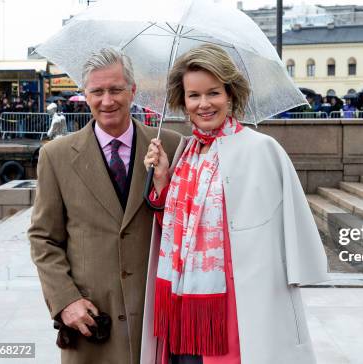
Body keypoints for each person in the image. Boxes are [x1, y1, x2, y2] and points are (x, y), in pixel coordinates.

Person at [141, 44, 328, 364]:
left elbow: (283, 235)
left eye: (213, 93)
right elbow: (176, 232)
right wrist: (161, 182)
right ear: (182, 101)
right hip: (182, 309)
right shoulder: (187, 153)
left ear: (230, 94)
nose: (203, 104)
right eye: (193, 95)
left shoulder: (261, 150)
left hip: (236, 310)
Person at [29, 48, 182, 364]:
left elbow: (186, 226)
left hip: (156, 320)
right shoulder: (55, 157)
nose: (107, 100)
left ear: (133, 90)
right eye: (97, 91)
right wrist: (65, 300)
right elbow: (43, 238)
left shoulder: (170, 145)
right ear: (85, 95)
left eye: (116, 89)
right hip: (92, 321)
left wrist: (164, 185)